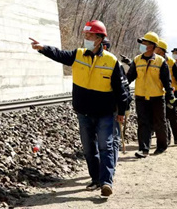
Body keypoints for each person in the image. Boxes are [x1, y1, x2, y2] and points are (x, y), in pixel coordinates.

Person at [30, 21, 129, 198]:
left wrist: (122, 111)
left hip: (105, 113)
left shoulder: (111, 61)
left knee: (105, 146)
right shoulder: (78, 55)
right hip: (83, 112)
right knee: (89, 149)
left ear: (100, 38)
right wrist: (43, 48)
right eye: (85, 36)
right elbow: (59, 54)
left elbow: (121, 90)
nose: (86, 39)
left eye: (89, 36)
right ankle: (96, 179)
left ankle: (107, 182)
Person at [126, 32, 174, 158]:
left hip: (157, 97)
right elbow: (129, 77)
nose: (142, 45)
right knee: (143, 123)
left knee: (160, 123)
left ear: (152, 46)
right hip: (141, 97)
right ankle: (143, 149)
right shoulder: (137, 60)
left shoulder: (160, 61)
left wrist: (170, 95)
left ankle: (161, 146)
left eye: (145, 43)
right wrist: (121, 86)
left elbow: (166, 81)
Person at [102, 38, 132, 164]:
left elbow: (124, 88)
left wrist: (124, 108)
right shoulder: (89, 60)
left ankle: (110, 167)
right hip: (97, 107)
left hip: (112, 106)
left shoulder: (113, 63)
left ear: (105, 47)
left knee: (113, 137)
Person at [155, 40, 177, 145]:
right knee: (163, 117)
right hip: (159, 92)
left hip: (172, 93)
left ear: (162, 51)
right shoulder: (155, 61)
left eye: (157, 49)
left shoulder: (171, 63)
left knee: (172, 115)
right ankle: (166, 139)